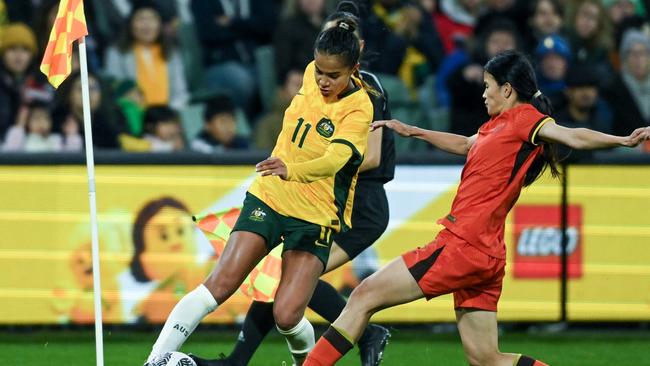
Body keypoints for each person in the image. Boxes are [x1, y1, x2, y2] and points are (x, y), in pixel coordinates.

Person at [303, 50, 650, 366]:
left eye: (488, 87)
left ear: (508, 90)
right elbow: (467, 144)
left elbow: (572, 136)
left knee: (363, 295)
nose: (483, 94)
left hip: (463, 245)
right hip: (485, 253)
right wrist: (411, 131)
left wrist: (622, 140)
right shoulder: (495, 126)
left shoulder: (525, 119)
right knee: (486, 359)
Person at [144, 15, 374, 366]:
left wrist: (290, 168)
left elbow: (335, 160)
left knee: (286, 315)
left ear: (353, 69)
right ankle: (155, 361)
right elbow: (329, 40)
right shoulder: (315, 71)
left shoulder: (359, 107)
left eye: (334, 76)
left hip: (315, 214)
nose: (324, 81)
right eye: (320, 73)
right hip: (269, 196)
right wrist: (340, 20)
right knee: (219, 284)